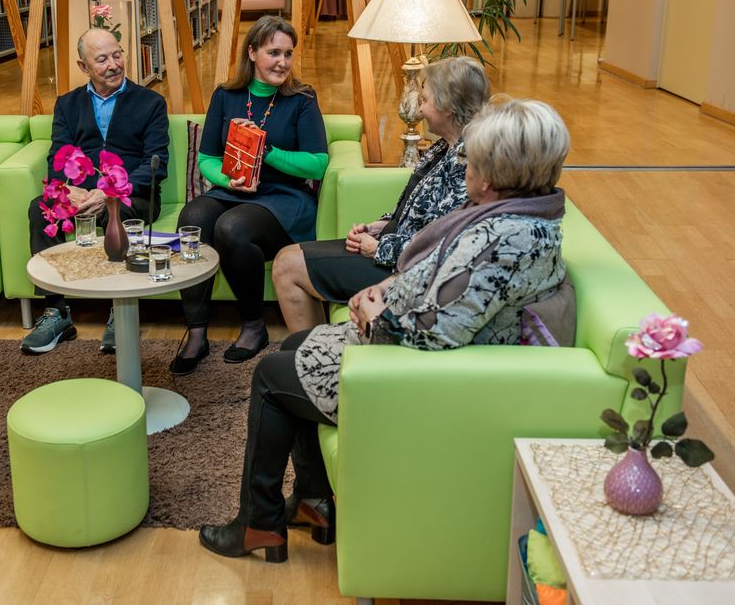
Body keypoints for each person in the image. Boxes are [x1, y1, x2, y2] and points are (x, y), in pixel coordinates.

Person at [198, 98, 574, 562]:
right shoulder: (519, 217)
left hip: (417, 376)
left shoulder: (502, 239)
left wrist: (376, 314)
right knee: (294, 345)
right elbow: (445, 284)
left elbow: (438, 334)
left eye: (472, 161)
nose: (465, 168)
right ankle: (313, 502)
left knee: (271, 376)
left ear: (493, 175)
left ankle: (258, 523)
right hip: (417, 354)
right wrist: (387, 288)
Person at [272, 56, 490, 333]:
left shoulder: (469, 163)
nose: (420, 109)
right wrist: (380, 225)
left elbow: (441, 246)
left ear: (448, 107)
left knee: (287, 265)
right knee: (289, 256)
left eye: (425, 100)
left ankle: (307, 353)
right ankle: (312, 347)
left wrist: (378, 248)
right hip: (391, 248)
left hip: (404, 269)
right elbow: (416, 210)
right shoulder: (442, 148)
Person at [170, 16, 328, 376]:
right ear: (252, 53)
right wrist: (230, 180)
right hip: (234, 190)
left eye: (288, 54)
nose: (282, 62)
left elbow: (317, 164)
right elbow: (207, 158)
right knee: (192, 218)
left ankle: (254, 325)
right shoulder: (226, 96)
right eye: (274, 53)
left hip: (284, 197)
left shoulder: (301, 99)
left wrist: (265, 149)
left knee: (231, 226)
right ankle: (196, 333)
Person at [21, 28, 169, 355]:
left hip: (132, 195)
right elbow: (58, 156)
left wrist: (108, 194)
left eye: (117, 55)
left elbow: (156, 164)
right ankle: (56, 311)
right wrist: (69, 190)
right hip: (81, 192)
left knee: (117, 212)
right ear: (83, 66)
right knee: (39, 208)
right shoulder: (68, 104)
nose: (113, 64)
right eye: (102, 59)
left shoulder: (151, 103)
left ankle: (121, 310)